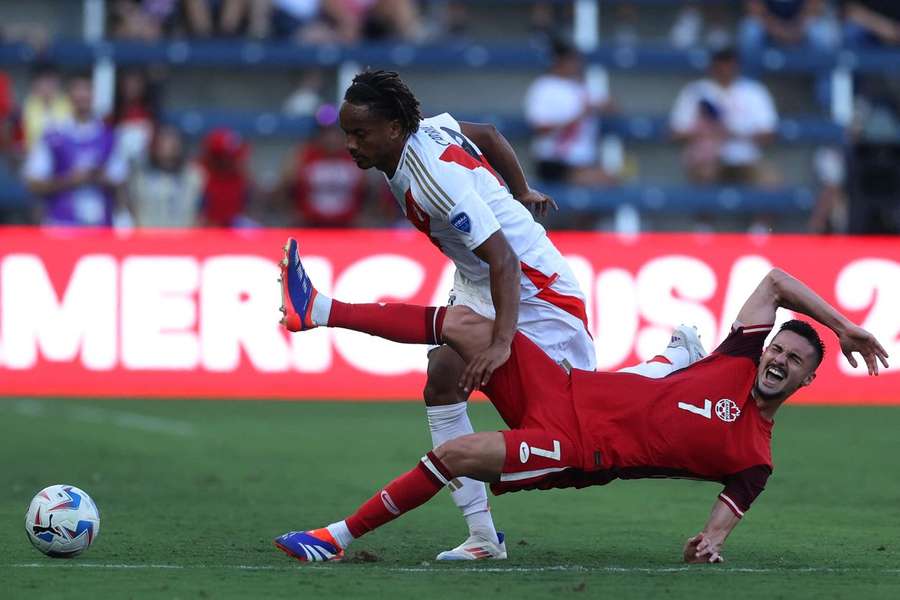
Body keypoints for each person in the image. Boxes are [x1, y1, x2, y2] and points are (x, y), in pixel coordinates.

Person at [281, 70, 703, 561]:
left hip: (536, 289)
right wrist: (520, 190)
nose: (350, 144)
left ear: (394, 129)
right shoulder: (429, 129)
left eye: (360, 134)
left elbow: (504, 257)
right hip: (481, 278)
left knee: (585, 420)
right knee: (443, 378)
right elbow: (487, 135)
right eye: (346, 133)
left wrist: (502, 342)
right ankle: (482, 538)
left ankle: (671, 365)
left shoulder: (432, 178)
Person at [275, 250, 889, 563]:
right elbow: (777, 281)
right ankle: (317, 310)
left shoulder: (754, 456)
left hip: (575, 450)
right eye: (778, 348)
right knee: (469, 324)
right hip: (563, 389)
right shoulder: (736, 355)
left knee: (455, 453)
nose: (779, 359)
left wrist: (709, 543)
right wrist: (845, 327)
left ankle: (335, 538)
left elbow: (719, 527)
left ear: (807, 381)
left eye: (795, 361)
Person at [22, 73, 128, 227]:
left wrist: (98, 177)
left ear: (94, 95)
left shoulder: (109, 136)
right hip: (61, 225)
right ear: (68, 96)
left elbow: (120, 182)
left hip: (101, 226)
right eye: (77, 90)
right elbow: (33, 182)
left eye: (87, 90)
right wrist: (69, 180)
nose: (82, 96)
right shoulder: (53, 136)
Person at [670, 47, 778, 186]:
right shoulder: (696, 91)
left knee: (771, 182)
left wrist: (733, 133)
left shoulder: (754, 91)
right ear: (712, 66)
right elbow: (675, 133)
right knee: (704, 175)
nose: (725, 69)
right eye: (721, 64)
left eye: (729, 64)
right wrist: (705, 131)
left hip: (746, 159)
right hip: (707, 160)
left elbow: (769, 134)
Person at [523, 38, 615, 186]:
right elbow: (539, 128)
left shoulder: (580, 86)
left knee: (611, 179)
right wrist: (577, 118)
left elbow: (613, 108)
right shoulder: (543, 87)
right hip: (554, 161)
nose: (577, 64)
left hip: (583, 161)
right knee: (605, 181)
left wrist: (602, 106)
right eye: (571, 60)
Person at [128, 125, 204, 227]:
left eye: (173, 141)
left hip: (183, 237)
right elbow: (132, 208)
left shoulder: (194, 176)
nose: (168, 146)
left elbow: (201, 213)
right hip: (148, 237)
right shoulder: (139, 175)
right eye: (163, 141)